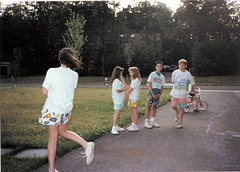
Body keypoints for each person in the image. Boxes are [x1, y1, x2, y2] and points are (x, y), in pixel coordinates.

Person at [39, 48, 95, 172]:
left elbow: (44, 92)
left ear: (60, 59)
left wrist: (51, 91)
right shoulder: (74, 75)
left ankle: (51, 169)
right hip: (66, 110)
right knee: (63, 132)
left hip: (53, 109)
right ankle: (86, 145)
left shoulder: (52, 71)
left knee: (53, 138)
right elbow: (68, 90)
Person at [170, 59, 194, 129]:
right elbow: (173, 82)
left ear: (185, 66)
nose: (181, 67)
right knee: (173, 105)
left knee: (181, 108)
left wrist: (190, 90)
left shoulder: (188, 74)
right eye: (180, 65)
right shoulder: (175, 72)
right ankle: (177, 113)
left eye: (183, 65)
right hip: (175, 93)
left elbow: (192, 83)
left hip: (183, 94)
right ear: (178, 65)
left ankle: (180, 122)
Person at [144, 61, 165, 129]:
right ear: (156, 67)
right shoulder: (152, 74)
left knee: (154, 107)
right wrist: (152, 94)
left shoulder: (162, 76)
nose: (159, 67)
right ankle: (146, 121)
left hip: (157, 94)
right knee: (148, 107)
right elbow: (149, 84)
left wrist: (159, 94)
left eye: (160, 66)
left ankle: (152, 121)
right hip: (151, 94)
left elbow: (162, 86)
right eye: (158, 66)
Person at [111, 66, 129, 135]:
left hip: (119, 100)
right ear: (118, 73)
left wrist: (122, 79)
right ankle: (114, 128)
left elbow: (124, 86)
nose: (122, 73)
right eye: (121, 72)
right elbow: (118, 90)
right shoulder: (116, 81)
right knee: (117, 113)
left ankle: (116, 126)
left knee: (117, 113)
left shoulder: (118, 80)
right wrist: (126, 89)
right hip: (117, 100)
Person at [125, 67, 142, 132]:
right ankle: (133, 124)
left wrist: (126, 95)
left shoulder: (136, 80)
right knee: (130, 109)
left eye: (130, 72)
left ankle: (136, 126)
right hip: (131, 97)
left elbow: (131, 89)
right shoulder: (134, 80)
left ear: (134, 72)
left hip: (134, 97)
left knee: (134, 110)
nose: (129, 73)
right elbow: (131, 87)